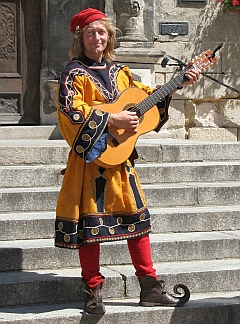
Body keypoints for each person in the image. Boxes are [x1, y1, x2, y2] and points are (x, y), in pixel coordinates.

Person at [55, 8, 201, 314]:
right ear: (80, 38)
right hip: (90, 162)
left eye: (102, 32)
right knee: (90, 226)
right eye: (91, 32)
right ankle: (93, 290)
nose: (97, 37)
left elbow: (145, 96)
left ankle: (150, 287)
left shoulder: (120, 71)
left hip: (121, 160)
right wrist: (111, 118)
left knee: (138, 220)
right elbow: (71, 111)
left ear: (109, 38)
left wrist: (178, 83)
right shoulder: (73, 73)